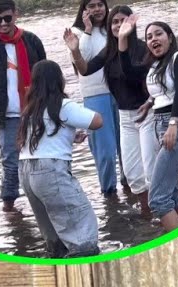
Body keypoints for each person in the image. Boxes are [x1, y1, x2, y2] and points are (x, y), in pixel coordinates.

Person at [67, 5, 154, 218]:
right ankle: (147, 217)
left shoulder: (143, 48)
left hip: (148, 114)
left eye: (123, 20)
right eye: (114, 22)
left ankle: (161, 216)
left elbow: (136, 75)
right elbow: (85, 70)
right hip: (125, 117)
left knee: (152, 171)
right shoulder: (109, 51)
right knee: (133, 175)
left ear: (132, 23)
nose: (118, 25)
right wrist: (75, 50)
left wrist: (151, 101)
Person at [17, 60, 103, 259]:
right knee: (83, 230)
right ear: (59, 81)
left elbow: (44, 137)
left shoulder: (30, 109)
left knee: (54, 238)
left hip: (26, 172)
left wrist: (70, 135)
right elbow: (97, 121)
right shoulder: (63, 105)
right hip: (50, 171)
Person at [0, 0, 47, 213]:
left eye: (7, 18)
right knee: (10, 163)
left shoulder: (32, 41)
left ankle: (41, 203)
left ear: (16, 14)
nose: (3, 23)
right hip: (6, 116)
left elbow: (46, 76)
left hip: (36, 111)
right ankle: (9, 207)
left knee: (39, 158)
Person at [122, 16, 178, 233]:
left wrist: (174, 123)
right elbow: (129, 72)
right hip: (162, 125)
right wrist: (123, 39)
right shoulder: (157, 65)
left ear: (169, 37)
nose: (153, 39)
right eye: (148, 37)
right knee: (171, 192)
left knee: (157, 198)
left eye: (158, 34)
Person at [66, 0, 121, 199]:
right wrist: (88, 30)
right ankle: (109, 193)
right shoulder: (77, 33)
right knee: (105, 152)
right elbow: (83, 62)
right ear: (84, 9)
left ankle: (131, 187)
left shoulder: (112, 27)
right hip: (95, 95)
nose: (97, 9)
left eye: (100, 4)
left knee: (126, 147)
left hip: (120, 92)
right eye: (91, 5)